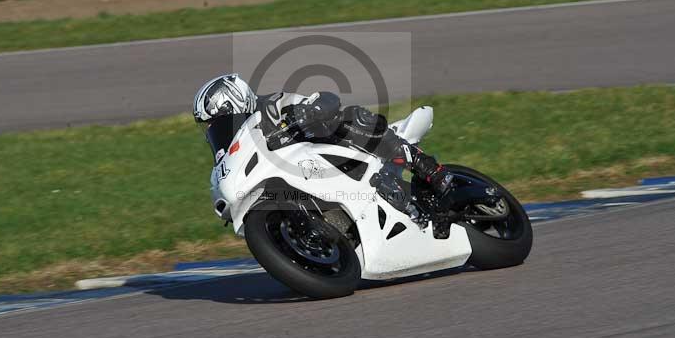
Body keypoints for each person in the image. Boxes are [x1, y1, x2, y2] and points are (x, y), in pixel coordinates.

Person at [192, 73, 491, 217]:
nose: (216, 131)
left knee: (349, 119)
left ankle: (431, 170)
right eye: (211, 128)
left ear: (236, 103)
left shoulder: (274, 104)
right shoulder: (234, 151)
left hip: (337, 154)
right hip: (306, 179)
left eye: (218, 122)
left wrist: (310, 111)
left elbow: (323, 100)